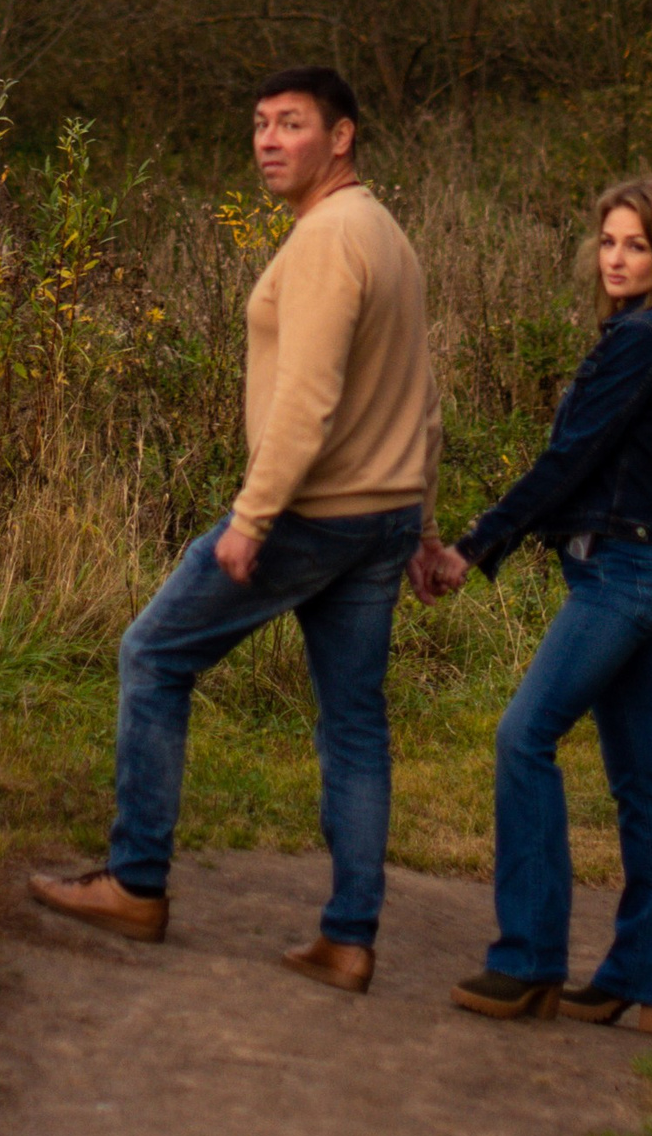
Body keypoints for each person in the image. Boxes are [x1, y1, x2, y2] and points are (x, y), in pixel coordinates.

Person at [31, 68, 441, 994]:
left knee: (153, 654)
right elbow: (422, 397)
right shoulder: (385, 234)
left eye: (290, 124)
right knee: (355, 726)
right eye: (259, 124)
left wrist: (254, 517)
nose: (267, 141)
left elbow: (309, 395)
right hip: (380, 519)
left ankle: (135, 884)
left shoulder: (332, 239)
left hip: (311, 513)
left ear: (341, 138)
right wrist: (421, 523)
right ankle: (348, 938)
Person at [430, 177, 652, 1031]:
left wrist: (474, 546)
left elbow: (569, 461)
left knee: (524, 737)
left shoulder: (647, 339)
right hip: (634, 571)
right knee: (638, 779)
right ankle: (644, 981)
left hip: (619, 577)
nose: (617, 258)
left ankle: (528, 963)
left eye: (636, 244)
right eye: (609, 242)